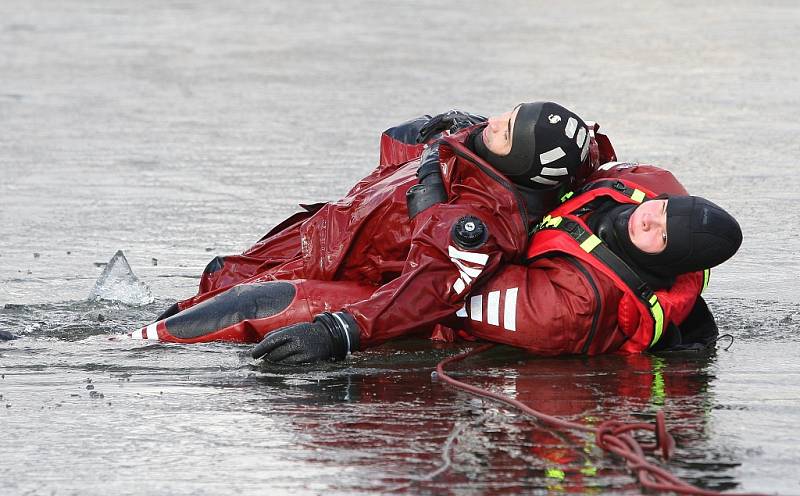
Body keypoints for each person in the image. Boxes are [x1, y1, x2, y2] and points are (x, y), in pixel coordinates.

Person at [134, 103, 617, 358]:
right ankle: (144, 331)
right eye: (507, 112)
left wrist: (339, 331)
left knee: (248, 303)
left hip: (350, 276)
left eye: (506, 131)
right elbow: (393, 154)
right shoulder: (476, 152)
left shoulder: (480, 223)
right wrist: (433, 132)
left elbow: (427, 289)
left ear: (522, 166)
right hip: (324, 235)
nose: (493, 122)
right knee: (217, 275)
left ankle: (125, 348)